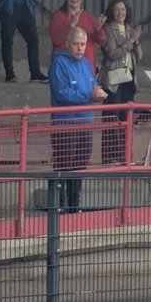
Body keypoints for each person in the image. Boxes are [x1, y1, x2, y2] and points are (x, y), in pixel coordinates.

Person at [49, 26, 106, 213]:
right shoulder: (58, 63)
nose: (80, 48)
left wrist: (97, 92)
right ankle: (59, 204)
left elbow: (92, 85)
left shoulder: (87, 64)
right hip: (65, 122)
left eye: (83, 44)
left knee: (81, 163)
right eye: (76, 44)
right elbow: (62, 92)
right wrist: (89, 95)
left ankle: (75, 204)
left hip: (85, 121)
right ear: (68, 44)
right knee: (65, 162)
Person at [97, 0, 142, 164]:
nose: (120, 13)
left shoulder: (130, 29)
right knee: (112, 116)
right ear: (111, 12)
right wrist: (130, 41)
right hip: (113, 80)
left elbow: (140, 56)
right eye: (117, 10)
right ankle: (109, 156)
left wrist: (136, 41)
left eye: (123, 10)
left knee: (126, 116)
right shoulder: (108, 29)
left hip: (129, 79)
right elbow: (112, 53)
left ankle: (124, 155)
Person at [47, 0, 103, 69]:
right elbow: (55, 39)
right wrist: (71, 25)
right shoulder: (58, 16)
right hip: (66, 65)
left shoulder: (89, 17)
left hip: (87, 65)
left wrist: (99, 29)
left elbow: (101, 40)